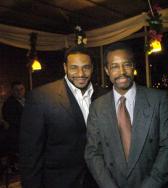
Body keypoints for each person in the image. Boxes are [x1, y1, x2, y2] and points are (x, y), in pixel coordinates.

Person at [85, 42, 168, 188]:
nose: (121, 72)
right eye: (114, 66)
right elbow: (92, 153)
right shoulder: (97, 107)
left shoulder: (158, 99)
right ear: (107, 70)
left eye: (126, 64)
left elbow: (167, 147)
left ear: (133, 67)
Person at [19, 45, 107, 188]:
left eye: (86, 67)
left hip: (99, 181)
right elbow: (30, 154)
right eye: (74, 67)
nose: (81, 73)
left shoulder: (105, 95)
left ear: (92, 68)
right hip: (59, 182)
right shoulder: (41, 97)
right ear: (65, 67)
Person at [2, 81, 25, 153]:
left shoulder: (28, 100)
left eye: (21, 89)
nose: (19, 92)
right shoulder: (9, 104)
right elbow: (12, 121)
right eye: (16, 90)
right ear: (12, 91)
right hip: (18, 137)